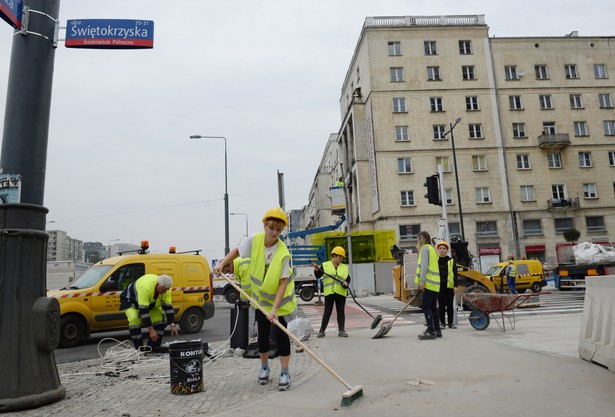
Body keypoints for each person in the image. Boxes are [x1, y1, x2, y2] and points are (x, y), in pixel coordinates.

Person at [213, 207, 296, 391]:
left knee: (282, 337)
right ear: (265, 225)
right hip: (261, 302)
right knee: (263, 336)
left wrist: (274, 309)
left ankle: (284, 371)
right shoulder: (255, 240)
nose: (274, 233)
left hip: (279, 304)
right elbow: (236, 251)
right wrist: (222, 263)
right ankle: (264, 368)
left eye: (278, 230)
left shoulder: (283, 253)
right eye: (271, 228)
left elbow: (282, 283)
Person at [119, 274, 179, 350]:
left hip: (149, 301)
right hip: (130, 300)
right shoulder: (145, 287)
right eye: (164, 290)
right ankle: (139, 349)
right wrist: (151, 330)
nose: (165, 292)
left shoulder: (166, 288)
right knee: (134, 319)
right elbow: (143, 311)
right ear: (157, 285)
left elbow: (168, 307)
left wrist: (172, 324)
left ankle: (152, 347)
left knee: (159, 319)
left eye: (167, 289)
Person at [312, 246, 351, 338]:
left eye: (342, 257)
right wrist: (316, 270)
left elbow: (348, 278)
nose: (341, 259)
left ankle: (341, 330)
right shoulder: (325, 265)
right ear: (334, 256)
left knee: (341, 312)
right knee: (327, 312)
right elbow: (318, 275)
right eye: (339, 257)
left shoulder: (344, 267)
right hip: (329, 293)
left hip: (340, 293)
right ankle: (322, 331)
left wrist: (346, 283)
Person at [415, 231, 441, 340]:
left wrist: (421, 282)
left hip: (428, 283)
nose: (417, 242)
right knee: (433, 307)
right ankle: (437, 329)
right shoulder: (433, 249)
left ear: (421, 239)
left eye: (418, 239)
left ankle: (431, 331)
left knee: (426, 307)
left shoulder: (424, 249)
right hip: (435, 283)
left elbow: (424, 266)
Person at [436, 241, 457, 329]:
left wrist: (456, 286)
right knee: (441, 305)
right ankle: (442, 323)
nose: (441, 250)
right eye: (440, 248)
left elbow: (455, 274)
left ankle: (450, 323)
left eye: (443, 248)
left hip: (449, 286)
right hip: (439, 286)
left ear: (447, 250)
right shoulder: (435, 261)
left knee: (449, 305)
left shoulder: (451, 261)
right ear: (437, 250)